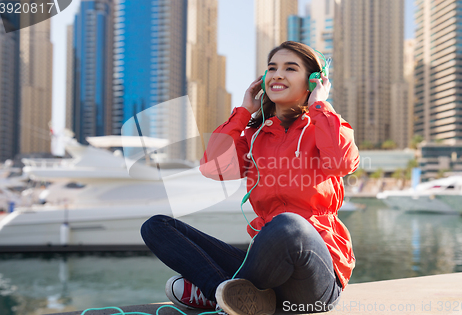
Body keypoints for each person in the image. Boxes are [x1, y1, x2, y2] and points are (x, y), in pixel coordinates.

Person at [141, 41, 359, 315]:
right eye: (272, 68)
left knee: (289, 224)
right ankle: (224, 293)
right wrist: (244, 111)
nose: (277, 74)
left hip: (313, 281)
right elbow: (213, 168)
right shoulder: (255, 137)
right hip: (265, 271)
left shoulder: (324, 126)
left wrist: (320, 105)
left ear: (313, 81)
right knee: (156, 226)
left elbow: (342, 161)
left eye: (290, 68)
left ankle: (217, 293)